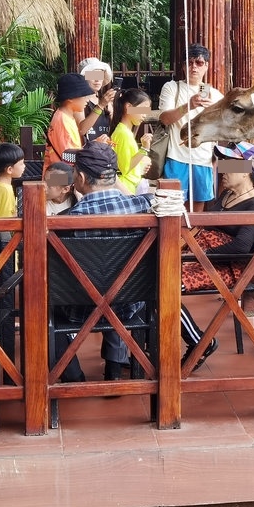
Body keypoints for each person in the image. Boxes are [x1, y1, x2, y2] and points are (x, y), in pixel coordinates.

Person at [57, 142, 213, 380]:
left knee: (47, 301)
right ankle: (116, 370)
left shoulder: (66, 220)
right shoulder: (146, 206)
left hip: (81, 308)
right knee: (127, 281)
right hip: (131, 302)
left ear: (79, 176)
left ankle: (73, 377)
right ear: (114, 174)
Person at [182, 142, 254, 296]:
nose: (223, 170)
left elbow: (241, 246)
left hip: (224, 267)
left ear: (246, 170)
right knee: (155, 273)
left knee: (166, 282)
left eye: (230, 165)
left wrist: (200, 255)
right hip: (202, 259)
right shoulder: (227, 195)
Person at [157, 44, 223, 211]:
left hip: (204, 159)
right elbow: (164, 119)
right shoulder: (172, 87)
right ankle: (175, 238)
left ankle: (192, 237)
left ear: (206, 65)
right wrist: (188, 106)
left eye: (199, 63)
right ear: (183, 65)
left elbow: (225, 125)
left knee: (198, 208)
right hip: (176, 156)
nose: (194, 67)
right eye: (190, 62)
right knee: (172, 207)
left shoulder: (215, 94)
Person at [43, 72, 95, 177]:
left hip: (61, 177)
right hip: (57, 180)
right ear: (70, 98)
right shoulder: (61, 120)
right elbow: (69, 156)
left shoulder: (67, 117)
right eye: (84, 96)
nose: (87, 100)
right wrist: (94, 148)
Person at [110, 88, 153, 195]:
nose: (144, 115)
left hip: (129, 186)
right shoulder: (123, 133)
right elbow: (125, 168)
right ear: (128, 107)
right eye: (142, 110)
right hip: (125, 188)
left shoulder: (124, 131)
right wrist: (144, 149)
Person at [76, 57, 116, 143]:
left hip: (105, 152)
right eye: (93, 75)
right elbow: (82, 130)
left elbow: (115, 128)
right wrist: (101, 105)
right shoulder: (79, 100)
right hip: (87, 153)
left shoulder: (106, 101)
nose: (97, 80)